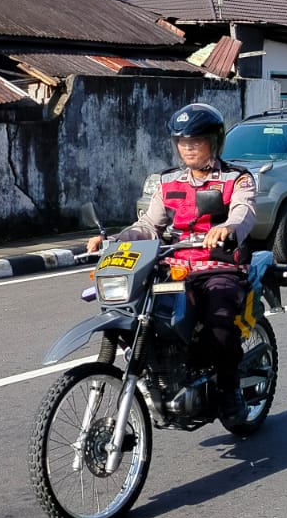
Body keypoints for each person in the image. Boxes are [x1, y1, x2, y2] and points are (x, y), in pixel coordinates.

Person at [88, 102, 255, 416]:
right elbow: (148, 225)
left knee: (220, 324)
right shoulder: (167, 182)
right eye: (182, 141)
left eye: (196, 141)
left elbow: (244, 214)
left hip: (217, 265)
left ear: (214, 141)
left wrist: (227, 228)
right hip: (173, 264)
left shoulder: (237, 179)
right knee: (136, 311)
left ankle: (230, 388)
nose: (188, 148)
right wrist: (114, 239)